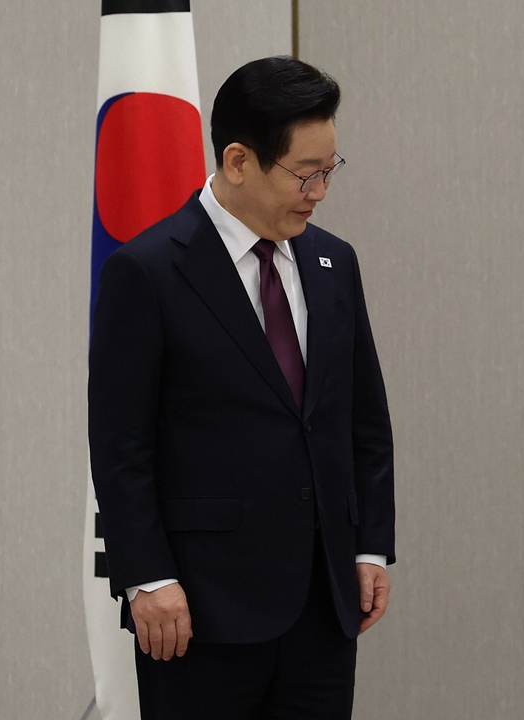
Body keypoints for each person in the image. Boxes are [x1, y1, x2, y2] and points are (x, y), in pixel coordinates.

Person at [89, 56, 395, 719]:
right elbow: (120, 446)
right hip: (198, 611)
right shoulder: (145, 272)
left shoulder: (333, 262)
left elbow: (362, 418)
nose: (320, 190)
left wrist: (369, 543)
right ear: (237, 161)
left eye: (330, 169)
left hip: (323, 607)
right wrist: (148, 576)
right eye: (305, 173)